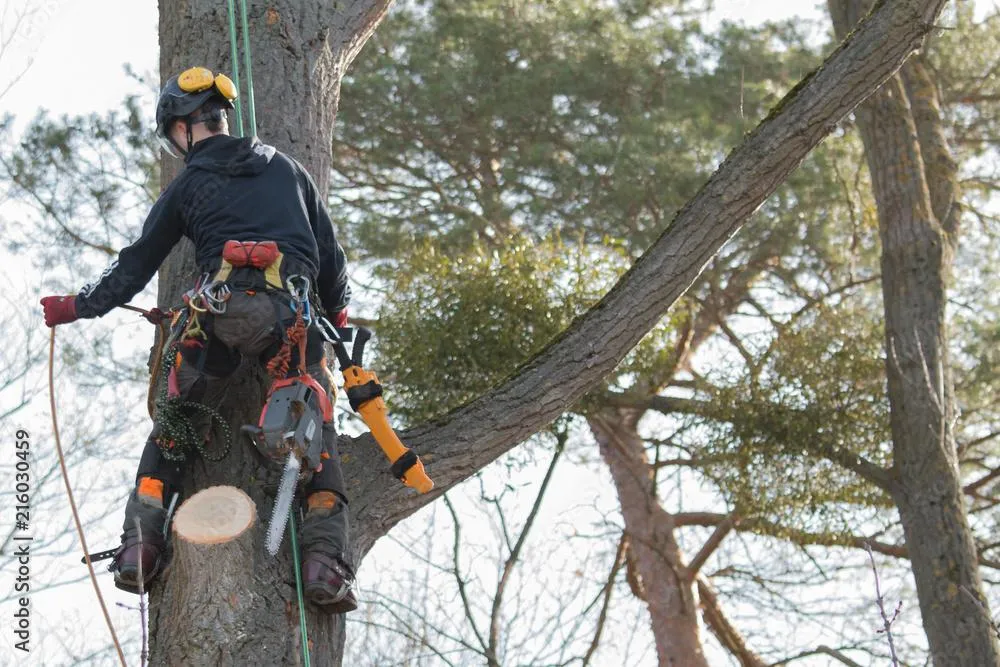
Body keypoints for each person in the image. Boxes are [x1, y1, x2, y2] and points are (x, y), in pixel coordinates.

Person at [40, 66, 357, 613]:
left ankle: (141, 546)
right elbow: (331, 259)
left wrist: (77, 306)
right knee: (314, 431)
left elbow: (135, 265)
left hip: (218, 315)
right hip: (294, 319)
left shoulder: (189, 184)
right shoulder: (290, 171)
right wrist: (341, 317)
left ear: (184, 127)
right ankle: (323, 564)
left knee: (175, 426)